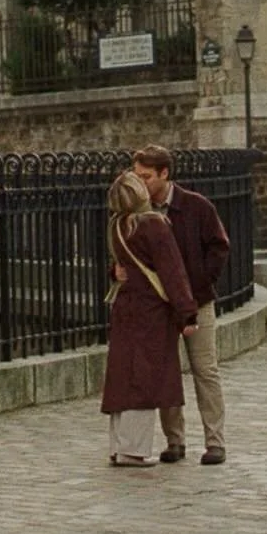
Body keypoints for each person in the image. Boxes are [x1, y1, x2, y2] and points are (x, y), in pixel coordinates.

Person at [133, 144, 231, 466]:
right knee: (166, 372)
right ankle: (174, 440)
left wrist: (198, 284)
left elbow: (219, 246)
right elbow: (126, 253)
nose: (140, 182)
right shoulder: (139, 213)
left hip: (197, 303)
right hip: (160, 306)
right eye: (137, 176)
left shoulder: (196, 206)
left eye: (146, 176)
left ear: (164, 174)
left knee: (205, 370)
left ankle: (215, 441)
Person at [101, 170, 198, 467]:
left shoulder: (117, 226)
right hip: (151, 312)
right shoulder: (154, 225)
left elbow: (120, 266)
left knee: (123, 376)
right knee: (145, 380)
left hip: (125, 309)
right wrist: (187, 314)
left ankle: (118, 445)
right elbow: (172, 272)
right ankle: (133, 449)